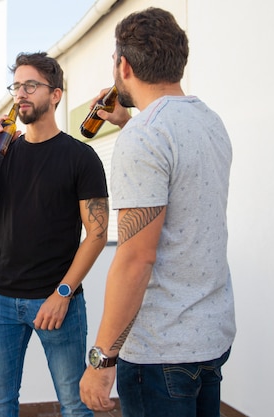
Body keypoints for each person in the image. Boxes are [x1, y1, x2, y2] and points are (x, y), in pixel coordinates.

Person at [79, 8, 236, 417]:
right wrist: (129, 121)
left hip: (160, 352)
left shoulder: (145, 137)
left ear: (124, 65)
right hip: (209, 338)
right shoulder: (209, 121)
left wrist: (101, 361)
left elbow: (136, 259)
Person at [0, 52, 109, 417]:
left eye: (31, 86)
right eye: (16, 86)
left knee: (74, 404)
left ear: (55, 94)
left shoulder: (80, 157)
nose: (21, 94)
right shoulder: (2, 154)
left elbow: (97, 235)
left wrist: (63, 293)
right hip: (0, 302)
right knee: (0, 403)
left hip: (57, 301)